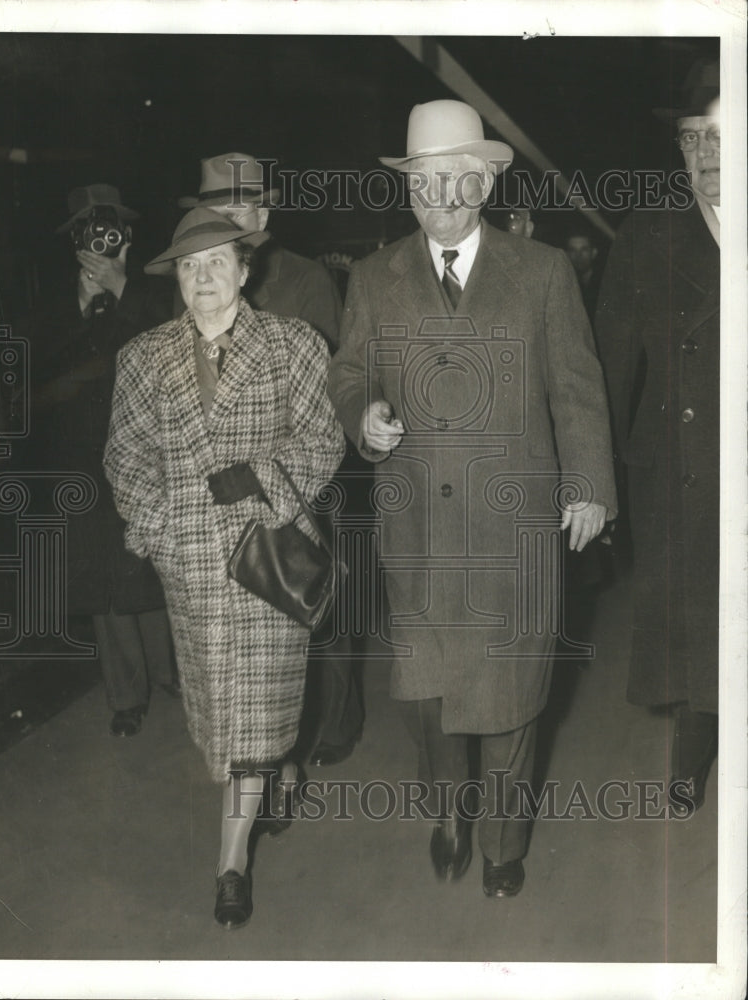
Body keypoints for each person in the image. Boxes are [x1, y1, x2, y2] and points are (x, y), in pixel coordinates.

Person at [329, 100, 616, 898]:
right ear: (409, 190)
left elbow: (578, 389)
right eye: (428, 183)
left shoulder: (545, 272)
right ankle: (448, 809)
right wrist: (363, 415)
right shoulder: (372, 276)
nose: (444, 198)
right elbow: (349, 372)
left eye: (460, 180)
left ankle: (502, 840)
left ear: (486, 183)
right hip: (416, 527)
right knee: (427, 699)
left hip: (513, 530)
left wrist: (589, 485)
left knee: (514, 700)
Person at [104, 208, 344, 928]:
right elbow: (124, 459)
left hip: (270, 559)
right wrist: (160, 533)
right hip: (193, 569)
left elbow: (326, 444)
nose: (202, 278)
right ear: (175, 277)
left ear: (246, 270)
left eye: (216, 263)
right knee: (228, 716)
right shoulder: (144, 358)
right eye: (187, 265)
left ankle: (230, 864)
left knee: (251, 717)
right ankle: (284, 768)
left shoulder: (294, 345)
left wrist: (261, 474)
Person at [179, 152, 364, 767]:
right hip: (222, 493)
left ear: (265, 211)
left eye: (243, 206)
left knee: (314, 602)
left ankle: (332, 723)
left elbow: (331, 392)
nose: (232, 218)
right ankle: (269, 759)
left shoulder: (307, 280)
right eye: (218, 208)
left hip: (298, 479)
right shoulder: (200, 274)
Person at [596, 62, 720, 815]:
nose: (703, 153)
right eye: (690, 138)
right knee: (696, 623)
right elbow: (608, 370)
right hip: (680, 467)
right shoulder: (647, 238)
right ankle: (695, 741)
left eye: (719, 136)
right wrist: (593, 481)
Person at [24, 183, 177, 738]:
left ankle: (171, 674)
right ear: (73, 242)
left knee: (153, 568)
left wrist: (123, 287)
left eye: (110, 231)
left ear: (128, 238)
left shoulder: (155, 296)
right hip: (80, 465)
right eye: (89, 232)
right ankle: (126, 695)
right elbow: (35, 383)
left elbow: (172, 353)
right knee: (103, 584)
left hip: (144, 455)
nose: (100, 241)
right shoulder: (49, 307)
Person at [563, 231, 600, 323]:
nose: (578, 255)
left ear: (594, 253)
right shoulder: (562, 283)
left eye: (584, 250)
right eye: (573, 250)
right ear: (566, 254)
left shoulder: (604, 283)